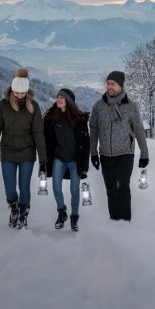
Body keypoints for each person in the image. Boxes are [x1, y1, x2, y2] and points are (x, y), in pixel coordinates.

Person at [0, 67, 46, 229]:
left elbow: (39, 133)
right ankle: (13, 207)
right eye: (16, 93)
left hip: (27, 152)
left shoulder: (33, 106)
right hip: (8, 152)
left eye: (22, 93)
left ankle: (23, 213)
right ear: (11, 90)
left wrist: (43, 159)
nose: (19, 96)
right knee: (10, 188)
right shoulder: (3, 106)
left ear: (27, 92)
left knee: (24, 187)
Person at [89, 71, 149, 221]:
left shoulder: (131, 106)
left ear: (120, 86)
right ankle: (114, 221)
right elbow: (94, 129)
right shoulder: (99, 106)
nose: (109, 86)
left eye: (112, 84)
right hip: (105, 155)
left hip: (125, 153)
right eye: (108, 83)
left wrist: (144, 153)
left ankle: (125, 222)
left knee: (123, 186)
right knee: (110, 189)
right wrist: (93, 153)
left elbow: (139, 130)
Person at [43, 88, 90, 231]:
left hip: (75, 160)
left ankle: (74, 217)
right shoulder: (51, 118)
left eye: (62, 97)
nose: (58, 99)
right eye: (57, 97)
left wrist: (84, 167)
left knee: (74, 190)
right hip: (59, 158)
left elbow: (86, 144)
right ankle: (61, 211)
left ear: (68, 101)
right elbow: (45, 138)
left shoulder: (79, 119)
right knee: (56, 187)